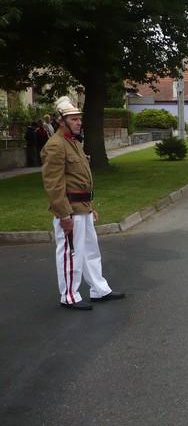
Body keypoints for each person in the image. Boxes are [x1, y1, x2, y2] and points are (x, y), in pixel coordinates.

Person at [41, 96, 124, 310]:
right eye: (74, 119)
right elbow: (54, 185)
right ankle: (69, 295)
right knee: (71, 253)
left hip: (83, 208)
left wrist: (91, 206)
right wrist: (64, 216)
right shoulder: (56, 146)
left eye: (79, 118)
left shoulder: (74, 143)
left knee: (90, 251)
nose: (79, 122)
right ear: (61, 121)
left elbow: (81, 179)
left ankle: (99, 289)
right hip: (69, 211)